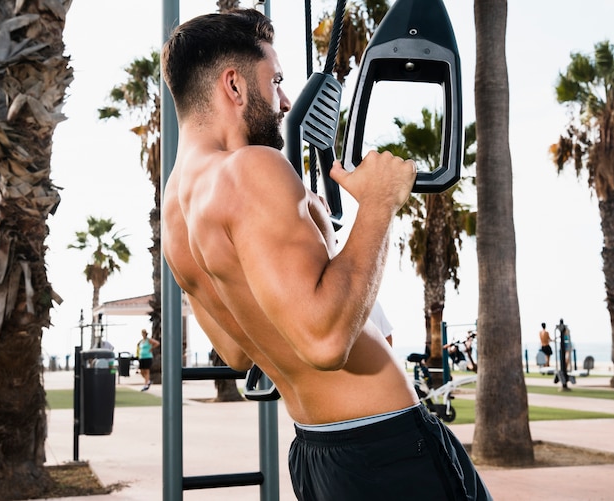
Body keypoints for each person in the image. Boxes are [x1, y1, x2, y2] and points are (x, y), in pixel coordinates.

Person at [161, 9, 490, 500]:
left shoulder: (174, 211)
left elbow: (237, 352)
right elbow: (328, 341)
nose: (286, 101)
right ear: (234, 85)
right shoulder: (250, 169)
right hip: (386, 450)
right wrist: (378, 205)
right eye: (275, 81)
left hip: (319, 454)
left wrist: (316, 236)